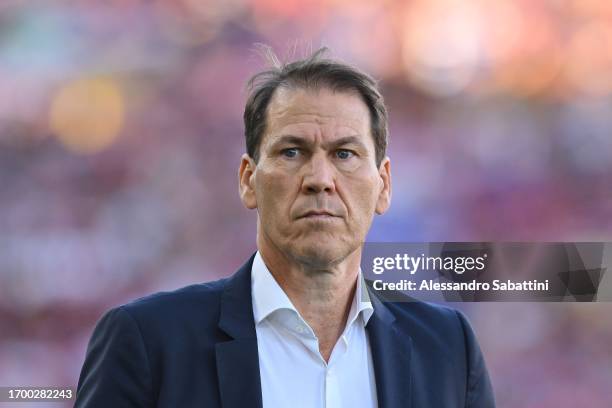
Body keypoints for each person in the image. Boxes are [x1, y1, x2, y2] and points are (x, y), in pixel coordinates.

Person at [75, 47, 496, 408]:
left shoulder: (447, 347)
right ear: (247, 179)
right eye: (292, 151)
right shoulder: (150, 342)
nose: (320, 178)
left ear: (383, 185)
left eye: (345, 154)